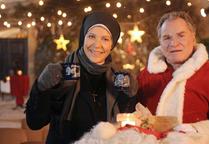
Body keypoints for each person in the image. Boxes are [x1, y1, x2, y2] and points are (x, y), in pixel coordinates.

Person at [25, 12, 136, 144]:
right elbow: (34, 123)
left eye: (105, 39)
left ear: (112, 44)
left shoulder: (119, 80)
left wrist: (130, 97)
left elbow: (127, 129)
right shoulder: (61, 73)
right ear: (84, 37)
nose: (97, 44)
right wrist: (41, 87)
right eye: (91, 36)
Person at [136, 11, 209, 144]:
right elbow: (132, 119)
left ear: (193, 37)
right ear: (160, 42)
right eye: (167, 37)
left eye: (181, 35)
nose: (174, 43)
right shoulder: (145, 76)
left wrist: (197, 133)